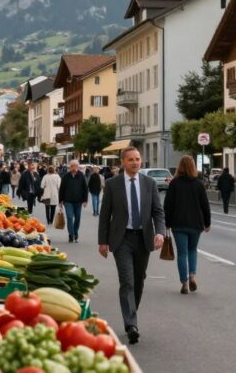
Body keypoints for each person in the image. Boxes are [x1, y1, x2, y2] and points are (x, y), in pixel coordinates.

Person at [97, 146, 165, 345]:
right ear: (123, 162)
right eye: (131, 159)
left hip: (143, 238)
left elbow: (158, 211)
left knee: (138, 280)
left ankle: (131, 312)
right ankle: (131, 324)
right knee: (127, 280)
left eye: (137, 159)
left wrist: (160, 232)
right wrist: (103, 241)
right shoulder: (113, 184)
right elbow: (105, 214)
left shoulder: (149, 183)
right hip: (122, 239)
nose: (135, 162)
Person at [164, 155, 211, 294]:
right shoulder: (199, 184)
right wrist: (207, 223)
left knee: (182, 253)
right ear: (193, 166)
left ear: (179, 167)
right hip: (196, 224)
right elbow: (205, 205)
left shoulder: (174, 183)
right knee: (192, 250)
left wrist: (167, 222)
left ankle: (184, 283)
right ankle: (192, 276)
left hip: (178, 223)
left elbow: (168, 205)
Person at [59, 160, 89, 242]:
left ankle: (75, 232)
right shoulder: (66, 176)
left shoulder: (81, 176)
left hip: (78, 201)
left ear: (78, 167)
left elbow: (85, 189)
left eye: (75, 166)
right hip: (67, 201)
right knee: (69, 217)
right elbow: (61, 189)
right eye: (72, 166)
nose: (74, 168)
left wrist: (85, 200)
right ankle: (71, 234)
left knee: (77, 218)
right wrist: (60, 201)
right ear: (70, 167)